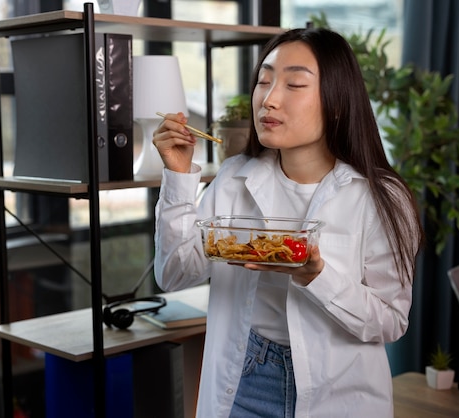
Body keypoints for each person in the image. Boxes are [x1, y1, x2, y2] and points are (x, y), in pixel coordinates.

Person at [151, 27, 424, 418]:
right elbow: (174, 274)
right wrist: (178, 176)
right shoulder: (233, 178)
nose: (269, 98)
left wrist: (315, 275)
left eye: (294, 84)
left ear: (336, 103)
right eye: (263, 81)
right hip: (245, 377)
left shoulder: (380, 198)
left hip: (339, 390)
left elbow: (391, 321)